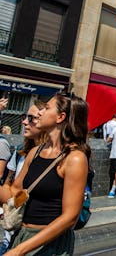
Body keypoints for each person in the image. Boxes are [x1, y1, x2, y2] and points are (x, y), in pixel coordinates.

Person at [0, 92, 90, 255]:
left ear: (60, 117)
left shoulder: (74, 158)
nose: (39, 112)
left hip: (50, 245)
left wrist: (20, 250)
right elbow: (15, 193)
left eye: (47, 108)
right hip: (22, 235)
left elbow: (70, 217)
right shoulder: (35, 152)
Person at [2, 102, 45, 253]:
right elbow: (9, 186)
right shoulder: (21, 151)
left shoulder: (55, 157)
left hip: (35, 240)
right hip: (11, 237)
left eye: (31, 118)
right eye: (25, 117)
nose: (24, 122)